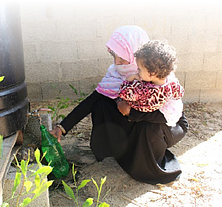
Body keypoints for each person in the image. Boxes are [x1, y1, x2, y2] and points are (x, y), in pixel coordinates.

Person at [50, 25, 188, 184]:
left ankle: (150, 170)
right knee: (102, 104)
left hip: (167, 126)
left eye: (122, 58)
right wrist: (62, 127)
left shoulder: (158, 75)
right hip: (137, 116)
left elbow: (166, 115)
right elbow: (92, 100)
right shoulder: (117, 74)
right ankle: (116, 150)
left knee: (147, 127)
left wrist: (131, 114)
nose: (117, 63)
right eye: (114, 56)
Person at [118, 40, 184, 127]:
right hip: (169, 115)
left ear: (151, 73)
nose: (137, 71)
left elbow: (124, 94)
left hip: (141, 110)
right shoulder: (171, 82)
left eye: (139, 69)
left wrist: (129, 79)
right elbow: (179, 93)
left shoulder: (144, 90)